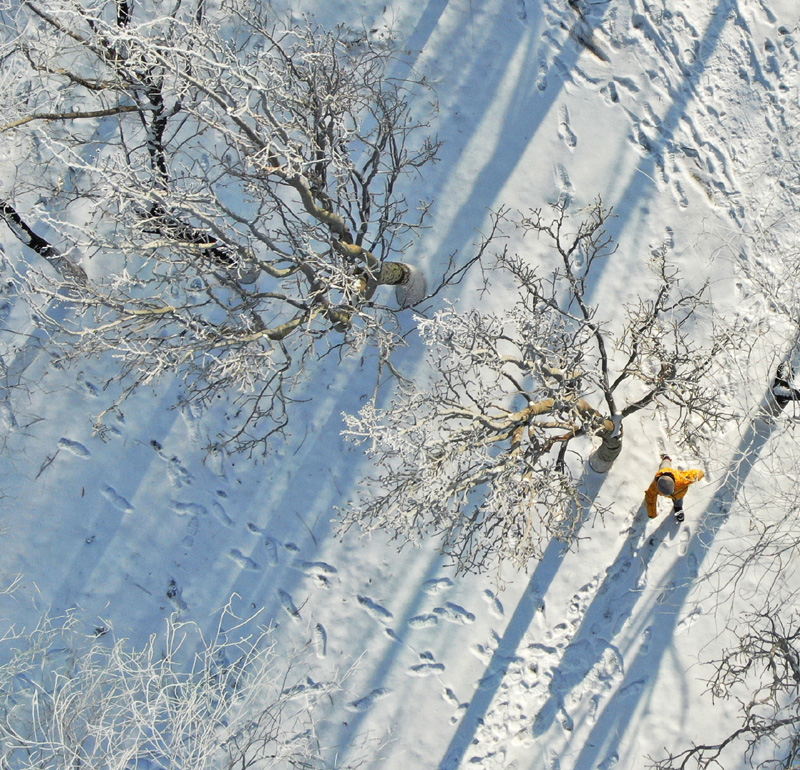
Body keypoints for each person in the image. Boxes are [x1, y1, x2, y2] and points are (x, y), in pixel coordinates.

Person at [644, 454, 704, 522]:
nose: (667, 496)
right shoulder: (654, 486)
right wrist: (652, 514)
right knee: (664, 465)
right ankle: (666, 459)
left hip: (679, 496)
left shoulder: (683, 479)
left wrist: (700, 475)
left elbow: (695, 473)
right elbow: (650, 498)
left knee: (678, 501)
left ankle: (678, 508)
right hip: (663, 472)